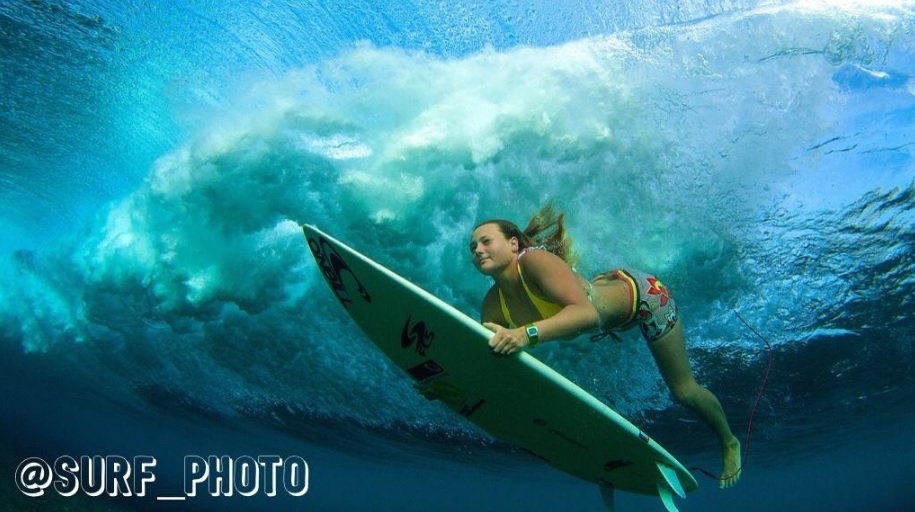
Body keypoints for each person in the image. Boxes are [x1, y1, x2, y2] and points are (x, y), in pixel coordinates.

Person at [468, 203, 742, 489]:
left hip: (645, 299)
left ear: (513, 244)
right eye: (472, 246)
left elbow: (586, 315)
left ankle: (729, 441)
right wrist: (443, 376)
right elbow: (492, 358)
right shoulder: (492, 304)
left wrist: (525, 334)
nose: (477, 249)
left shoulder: (534, 261)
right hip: (605, 289)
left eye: (486, 241)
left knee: (684, 391)